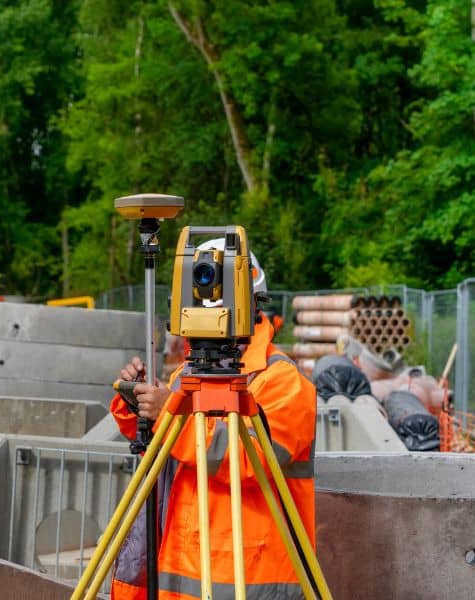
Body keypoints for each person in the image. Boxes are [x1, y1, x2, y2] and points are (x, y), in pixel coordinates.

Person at [109, 240, 318, 600]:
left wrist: (167, 412)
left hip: (249, 581)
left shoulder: (281, 381)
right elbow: (165, 449)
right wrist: (140, 406)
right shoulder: (185, 377)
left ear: (251, 303)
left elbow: (250, 459)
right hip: (178, 576)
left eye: (219, 300)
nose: (210, 309)